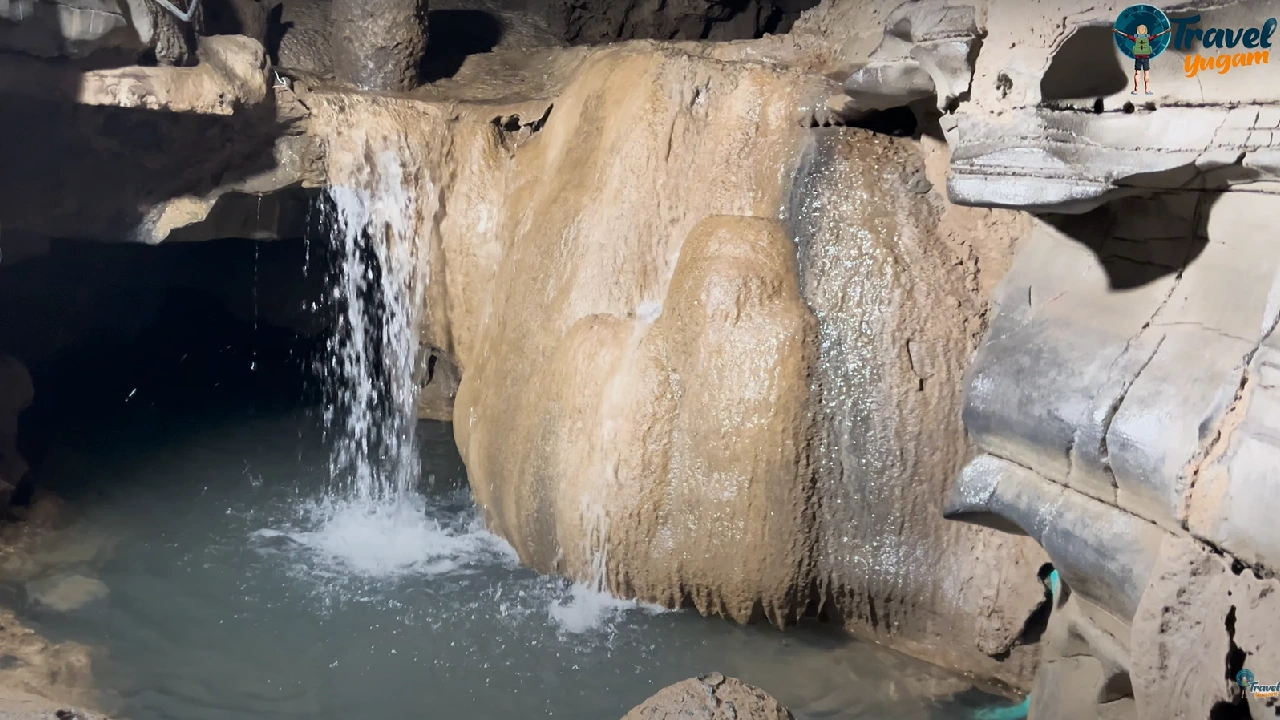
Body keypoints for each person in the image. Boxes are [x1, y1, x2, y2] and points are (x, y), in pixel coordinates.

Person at [1114, 24, 1171, 95]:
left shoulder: (1136, 38)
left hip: (1138, 57)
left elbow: (1127, 36)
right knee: (1146, 73)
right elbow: (1156, 35)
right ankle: (1147, 90)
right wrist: (1165, 31)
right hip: (1145, 57)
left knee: (1137, 73)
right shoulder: (1147, 38)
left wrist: (1117, 31)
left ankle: (1135, 90)